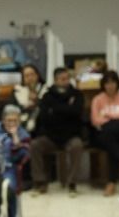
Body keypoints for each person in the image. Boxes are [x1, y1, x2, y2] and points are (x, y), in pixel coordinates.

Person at [31, 66, 86, 194]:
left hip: (71, 135)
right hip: (51, 136)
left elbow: (77, 113)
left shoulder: (77, 95)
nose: (66, 81)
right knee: (34, 145)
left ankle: (72, 183)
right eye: (62, 79)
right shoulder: (47, 96)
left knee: (77, 146)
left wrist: (55, 110)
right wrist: (67, 109)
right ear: (56, 81)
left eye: (67, 78)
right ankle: (40, 182)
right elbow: (45, 118)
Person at [90, 70, 119, 197]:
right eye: (107, 83)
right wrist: (114, 118)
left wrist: (107, 115)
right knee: (111, 134)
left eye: (113, 82)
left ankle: (111, 183)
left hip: (116, 135)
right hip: (101, 135)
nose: (110, 86)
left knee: (114, 138)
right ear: (103, 85)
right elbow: (95, 120)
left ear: (117, 84)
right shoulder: (97, 99)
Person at [11, 63, 45, 132]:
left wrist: (37, 101)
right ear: (23, 78)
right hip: (21, 122)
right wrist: (25, 107)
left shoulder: (45, 89)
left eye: (32, 74)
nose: (30, 78)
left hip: (41, 123)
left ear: (37, 75)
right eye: (26, 76)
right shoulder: (17, 90)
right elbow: (12, 108)